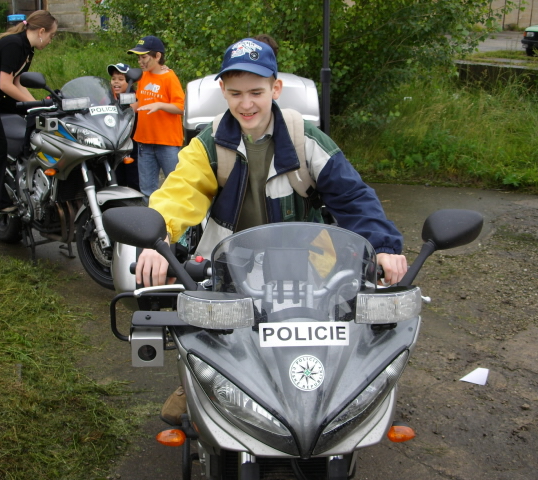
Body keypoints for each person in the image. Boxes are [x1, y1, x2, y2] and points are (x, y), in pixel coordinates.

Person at [136, 37, 408, 424]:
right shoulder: (210, 144)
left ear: (275, 89)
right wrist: (157, 234)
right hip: (230, 261)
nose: (246, 103)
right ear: (223, 92)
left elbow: (354, 197)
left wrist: (383, 247)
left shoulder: (306, 139)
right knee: (213, 331)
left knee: (327, 331)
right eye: (235, 93)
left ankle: (327, 391)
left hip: (304, 260)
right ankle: (200, 377)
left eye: (256, 92)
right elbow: (181, 190)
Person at [0, 10, 58, 213]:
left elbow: (17, 82)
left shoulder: (27, 49)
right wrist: (35, 104)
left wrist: (36, 104)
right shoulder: (14, 45)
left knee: (32, 116)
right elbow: (5, 85)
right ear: (42, 31)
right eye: (51, 36)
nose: (51, 41)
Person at [127, 36, 185, 199]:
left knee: (176, 189)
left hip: (166, 143)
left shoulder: (169, 77)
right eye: (138, 57)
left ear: (157, 56)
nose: (140, 61)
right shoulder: (143, 76)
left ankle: (179, 223)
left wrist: (160, 105)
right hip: (144, 141)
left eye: (144, 57)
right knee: (147, 191)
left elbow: (181, 107)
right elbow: (139, 103)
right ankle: (151, 223)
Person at [107, 62, 140, 191]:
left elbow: (133, 109)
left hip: (132, 145)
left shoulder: (136, 96)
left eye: (121, 79)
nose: (116, 82)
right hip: (114, 146)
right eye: (114, 79)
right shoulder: (108, 98)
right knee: (116, 180)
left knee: (134, 181)